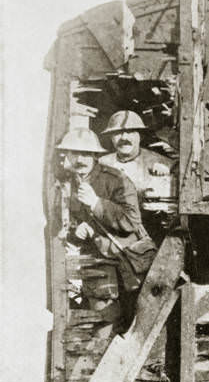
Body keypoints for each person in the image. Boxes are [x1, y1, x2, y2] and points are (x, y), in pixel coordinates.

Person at [58, 126, 156, 329]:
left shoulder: (115, 179)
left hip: (130, 261)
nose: (80, 159)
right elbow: (61, 226)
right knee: (106, 322)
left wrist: (96, 203)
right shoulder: (64, 185)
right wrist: (76, 231)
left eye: (86, 154)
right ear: (66, 154)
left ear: (95, 155)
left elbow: (131, 221)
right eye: (74, 153)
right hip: (98, 265)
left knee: (141, 322)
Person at [100, 110, 174, 199]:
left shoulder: (161, 162)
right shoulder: (101, 163)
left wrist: (168, 174)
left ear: (141, 136)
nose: (124, 137)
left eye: (130, 131)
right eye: (117, 133)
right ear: (111, 138)